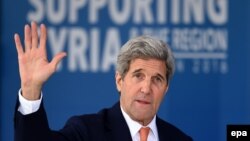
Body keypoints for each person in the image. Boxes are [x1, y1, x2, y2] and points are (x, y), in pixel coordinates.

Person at [14, 22, 192, 141]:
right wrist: (31, 90)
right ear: (119, 81)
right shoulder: (86, 132)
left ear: (166, 88)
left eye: (157, 79)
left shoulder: (180, 139)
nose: (146, 88)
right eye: (138, 75)